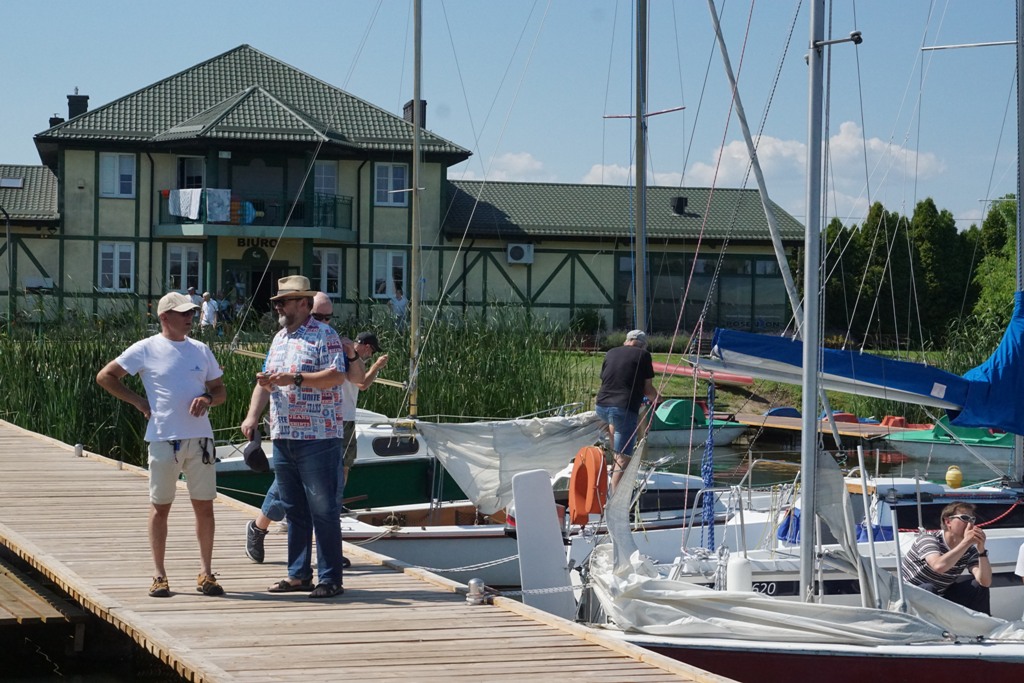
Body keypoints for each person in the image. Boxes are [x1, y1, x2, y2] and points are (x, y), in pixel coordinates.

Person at [96, 291, 227, 598]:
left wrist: (208, 398)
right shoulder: (145, 348)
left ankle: (206, 573)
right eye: (183, 313)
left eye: (192, 313)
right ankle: (159, 575)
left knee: (205, 507)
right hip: (163, 437)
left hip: (201, 440)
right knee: (160, 508)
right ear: (164, 317)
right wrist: (139, 401)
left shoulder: (201, 349)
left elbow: (220, 390)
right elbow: (106, 376)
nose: (190, 318)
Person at [240, 276, 364, 599]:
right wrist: (252, 416)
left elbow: (337, 375)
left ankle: (330, 578)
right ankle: (298, 575)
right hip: (283, 435)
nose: (278, 306)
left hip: (319, 437)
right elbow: (265, 382)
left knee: (323, 509)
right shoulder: (279, 338)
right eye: (277, 302)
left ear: (304, 304)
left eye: (285, 301)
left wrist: (295, 378)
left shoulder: (326, 336)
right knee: (294, 508)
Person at [595, 329, 660, 491]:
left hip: (601, 406)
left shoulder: (611, 352)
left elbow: (607, 379)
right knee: (625, 457)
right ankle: (615, 498)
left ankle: (614, 468)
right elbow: (648, 389)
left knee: (614, 424)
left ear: (626, 341)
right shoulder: (643, 356)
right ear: (643, 346)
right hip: (623, 408)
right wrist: (658, 399)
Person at [900, 502, 991, 614]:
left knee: (977, 586)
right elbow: (938, 566)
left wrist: (981, 550)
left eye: (972, 519)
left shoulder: (969, 550)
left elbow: (985, 582)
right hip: (908, 596)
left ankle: (982, 627)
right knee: (929, 589)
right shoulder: (928, 540)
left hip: (940, 597)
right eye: (965, 518)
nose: (969, 524)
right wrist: (966, 542)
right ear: (948, 522)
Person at [340, 331, 388, 491]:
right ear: (367, 347)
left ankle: (333, 502)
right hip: (344, 417)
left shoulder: (343, 355)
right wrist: (377, 366)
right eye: (373, 352)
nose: (371, 355)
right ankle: (336, 503)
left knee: (337, 465)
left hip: (335, 416)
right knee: (344, 465)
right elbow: (363, 384)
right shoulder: (353, 360)